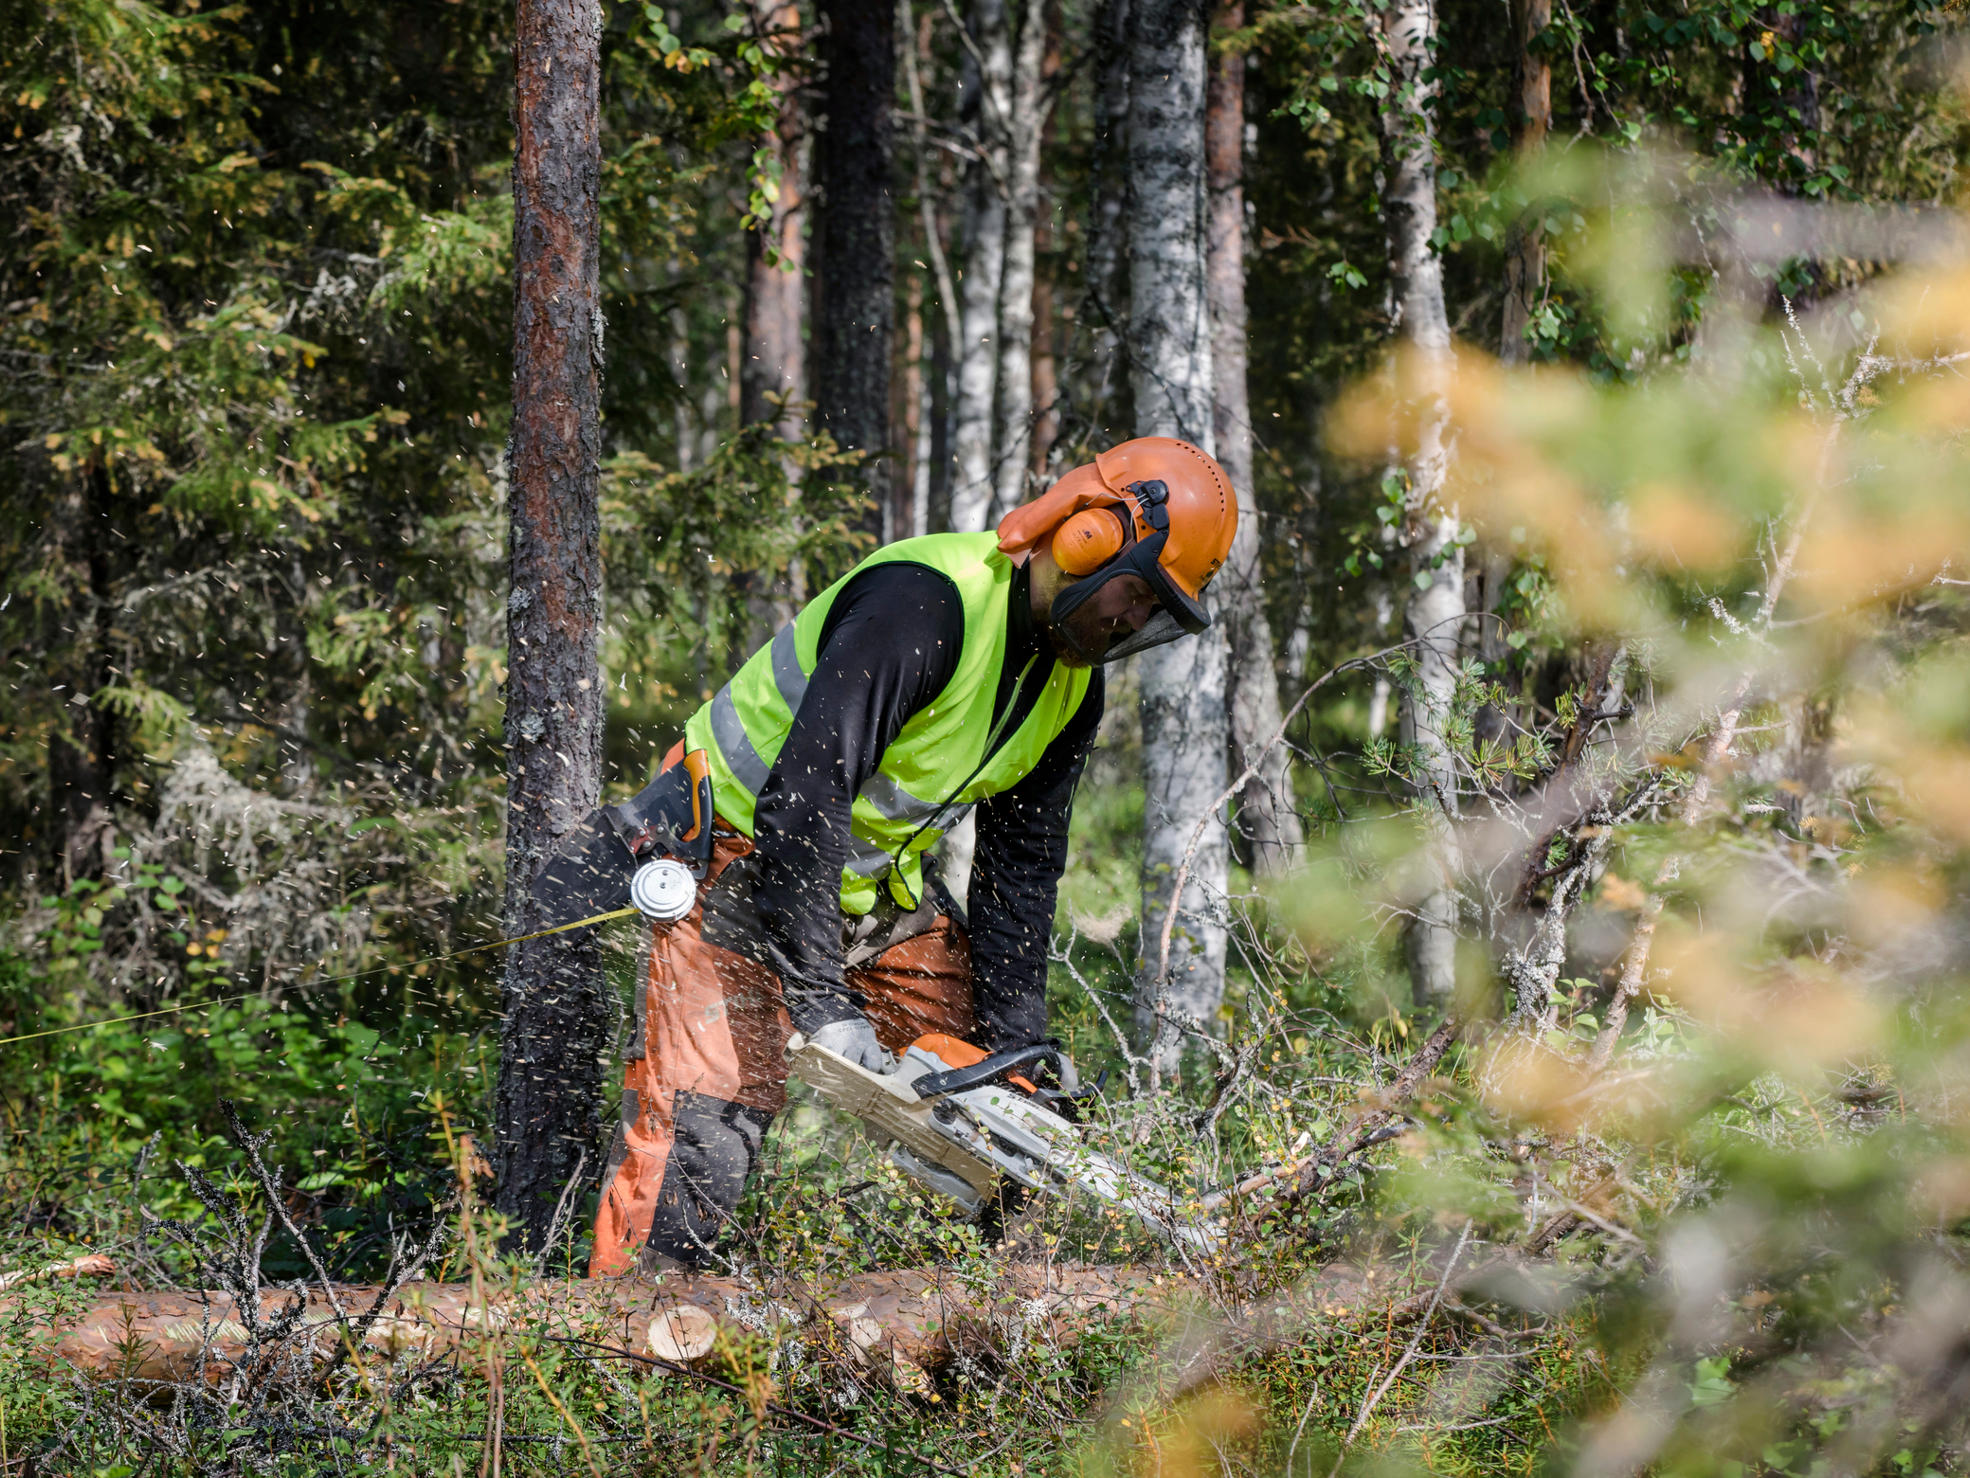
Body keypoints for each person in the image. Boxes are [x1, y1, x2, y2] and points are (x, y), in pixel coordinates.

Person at [540, 436, 1238, 1276]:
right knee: (711, 1119)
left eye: (1155, 614)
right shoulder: (927, 604)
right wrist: (823, 1004)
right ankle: (633, 1333)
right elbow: (803, 800)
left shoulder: (1071, 691)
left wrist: (1016, 1046)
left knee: (1000, 1114)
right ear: (1086, 536)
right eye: (1135, 593)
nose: (1129, 622)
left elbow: (1022, 869)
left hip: (865, 883)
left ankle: (992, 1319)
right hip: (729, 845)